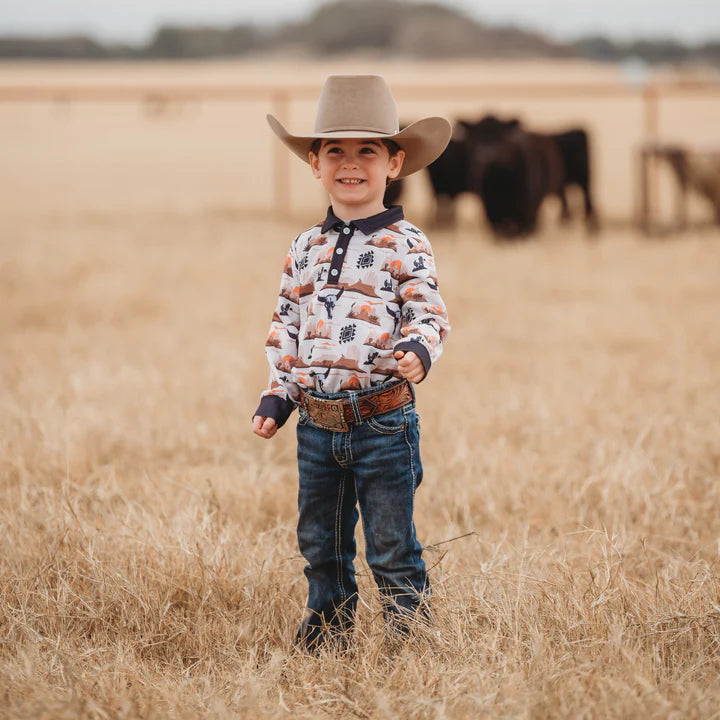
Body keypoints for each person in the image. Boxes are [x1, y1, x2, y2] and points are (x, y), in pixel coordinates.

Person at [252, 74, 451, 651]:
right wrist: (277, 395)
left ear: (395, 162)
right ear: (315, 163)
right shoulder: (304, 247)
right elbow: (287, 324)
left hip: (383, 421)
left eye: (368, 150)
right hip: (317, 424)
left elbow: (428, 309)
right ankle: (329, 631)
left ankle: (408, 638)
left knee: (391, 543)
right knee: (320, 540)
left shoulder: (406, 241)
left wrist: (416, 349)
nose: (351, 163)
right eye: (335, 150)